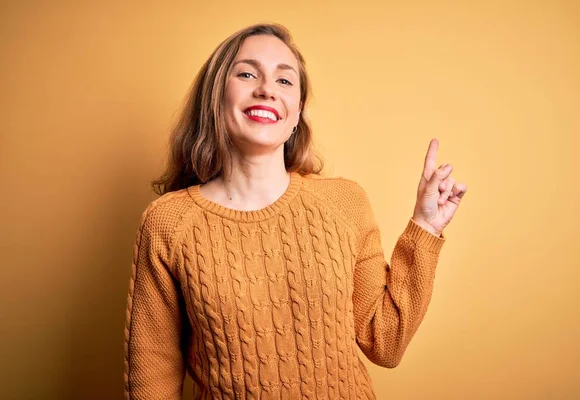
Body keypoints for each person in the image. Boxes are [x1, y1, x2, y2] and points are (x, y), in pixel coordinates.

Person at [124, 23, 467, 400]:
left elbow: (385, 343)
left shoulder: (344, 203)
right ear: (216, 96)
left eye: (285, 81)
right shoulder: (169, 223)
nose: (267, 89)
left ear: (297, 112)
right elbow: (152, 374)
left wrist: (425, 227)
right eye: (247, 73)